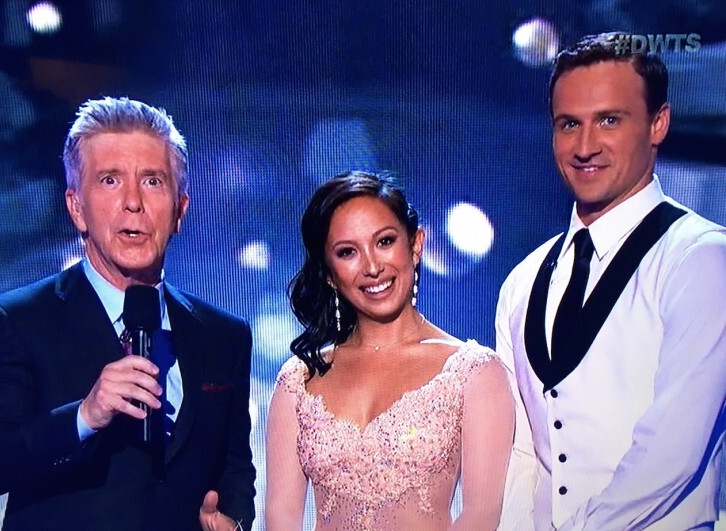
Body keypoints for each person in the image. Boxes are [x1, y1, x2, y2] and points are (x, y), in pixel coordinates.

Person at [0, 97, 256, 530]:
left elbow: (235, 468)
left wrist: (232, 520)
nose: (133, 202)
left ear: (180, 209)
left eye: (153, 182)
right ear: (76, 208)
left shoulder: (223, 335)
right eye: (110, 180)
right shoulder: (14, 321)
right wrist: (85, 416)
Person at [496, 32, 726, 530]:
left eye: (608, 121)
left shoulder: (700, 258)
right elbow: (519, 455)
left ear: (657, 123)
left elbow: (673, 452)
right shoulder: (521, 282)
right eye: (568, 125)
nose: (584, 146)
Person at [265, 171, 515, 530]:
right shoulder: (298, 380)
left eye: (384, 242)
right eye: (348, 252)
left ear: (416, 246)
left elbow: (481, 516)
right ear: (329, 274)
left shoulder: (473, 373)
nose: (371, 266)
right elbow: (281, 519)